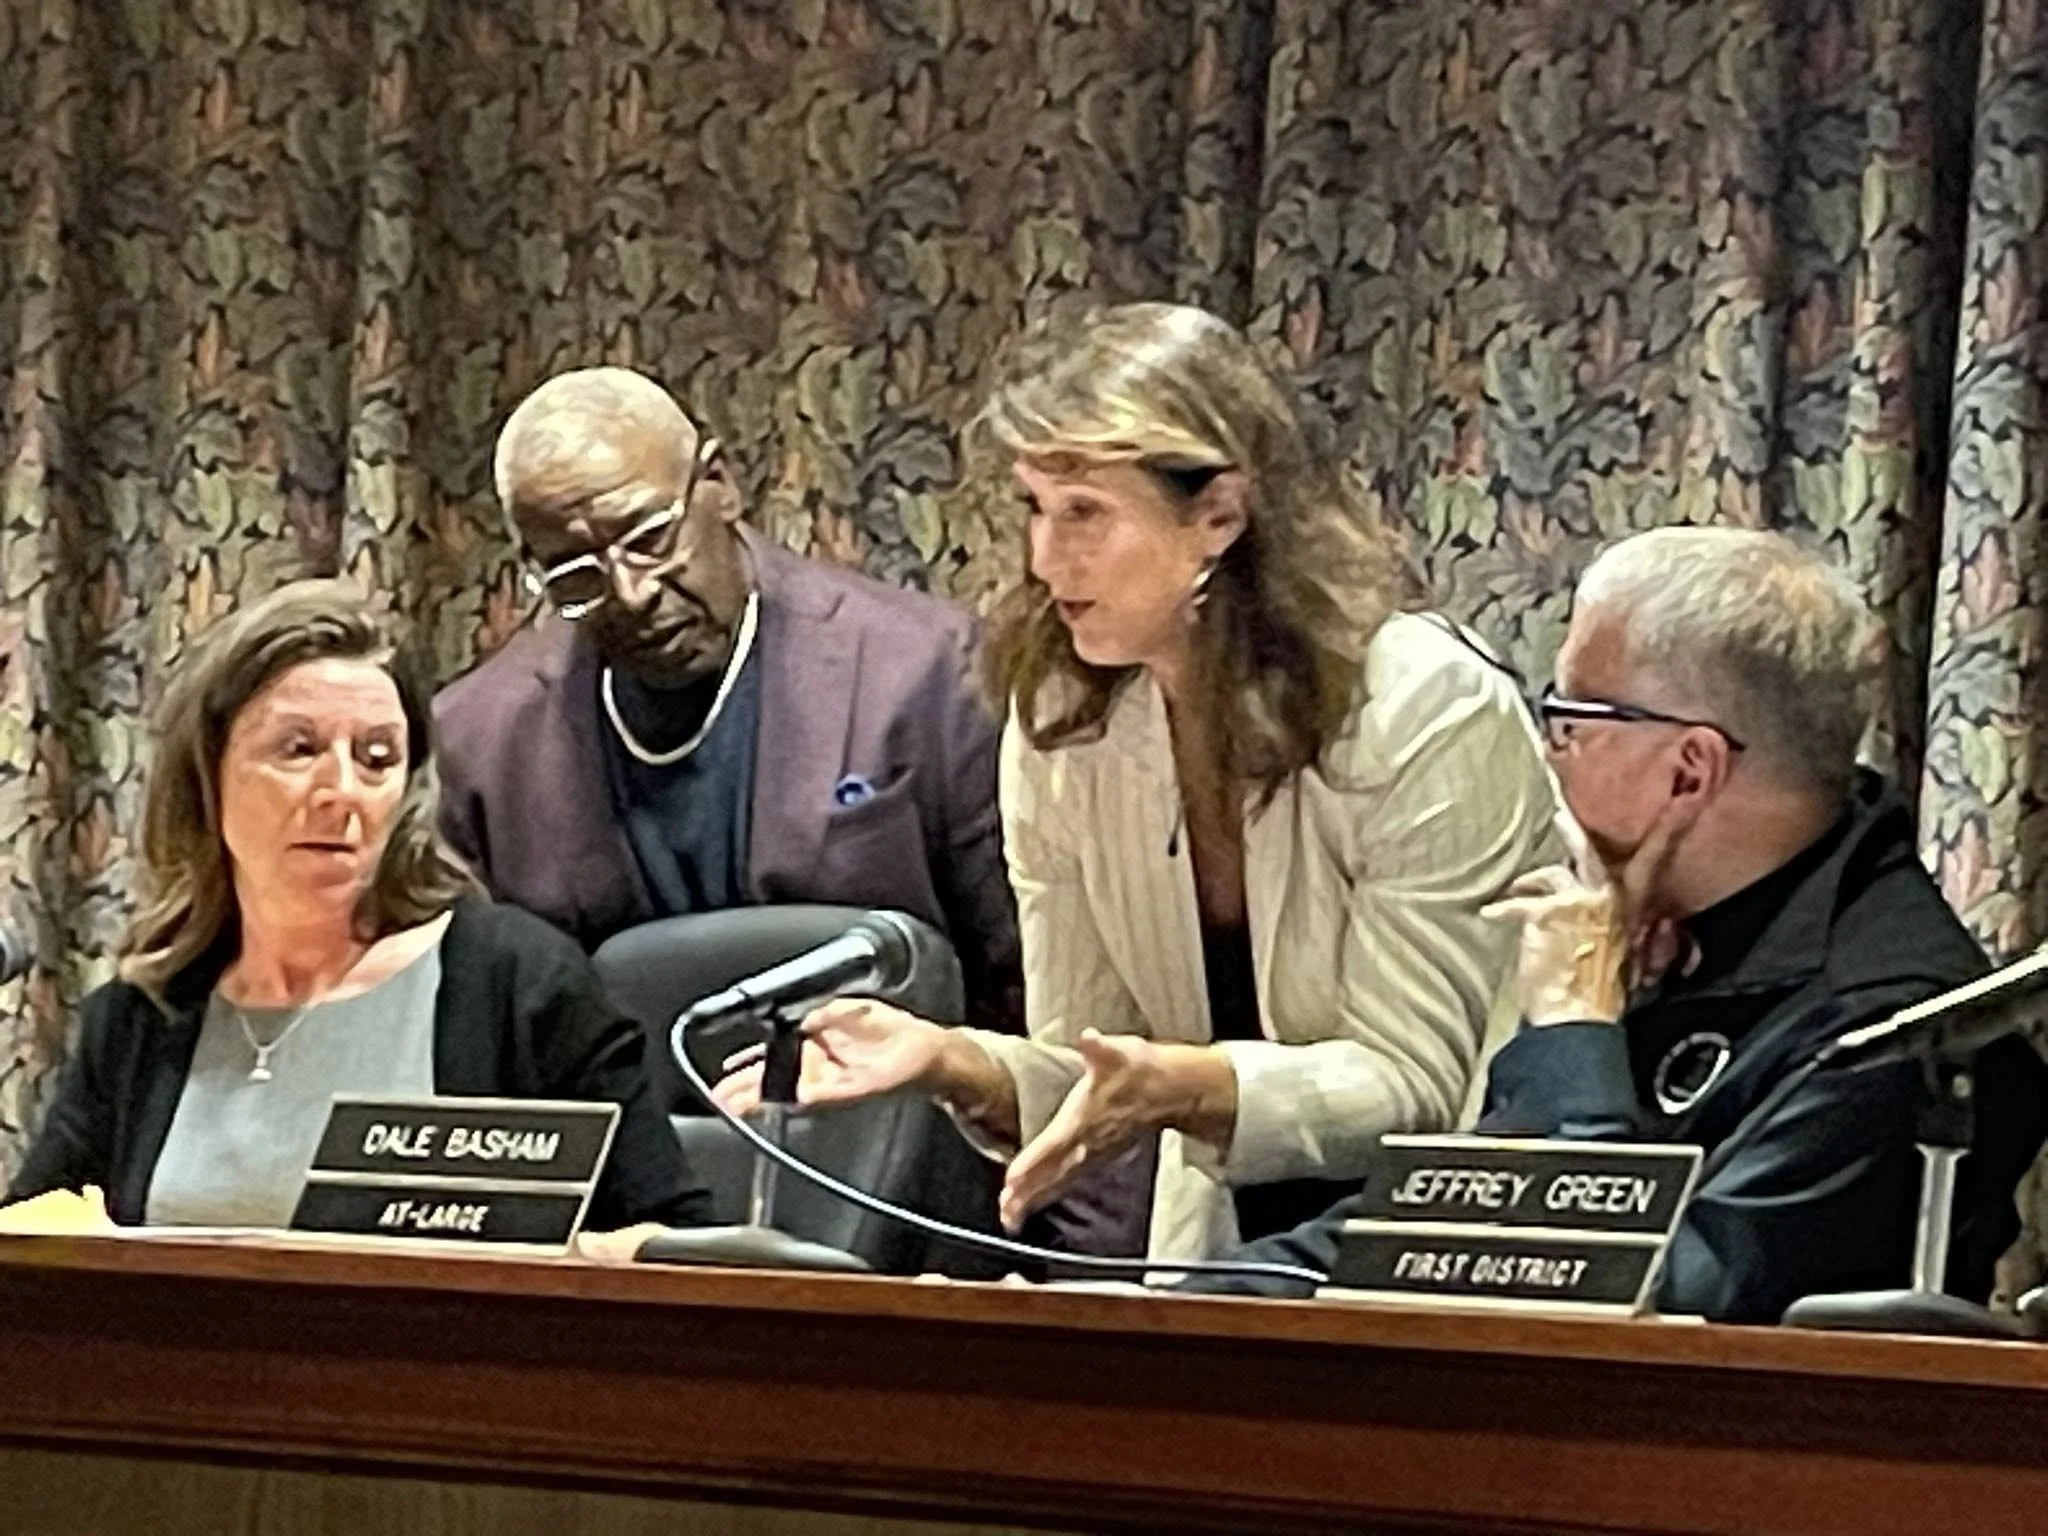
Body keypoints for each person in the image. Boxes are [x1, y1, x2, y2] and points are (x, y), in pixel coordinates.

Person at [718, 302, 1564, 1262]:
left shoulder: (1425, 706)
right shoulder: (1064, 721)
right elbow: (1096, 1067)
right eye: (1035, 508)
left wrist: (1188, 1085)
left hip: (1454, 1240)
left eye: (1085, 512)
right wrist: (953, 1060)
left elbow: (1418, 1089)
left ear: (1219, 516)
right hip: (1234, 1251)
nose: (1044, 557)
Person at [1203, 527, 2048, 1322]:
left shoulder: (1886, 1028)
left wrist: (1578, 1031)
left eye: (1572, 721)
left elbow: (1634, 1308)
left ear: (1689, 771)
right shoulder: (1657, 924)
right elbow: (1448, 1228)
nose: (1551, 754)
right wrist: (1183, 1300)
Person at [6, 581, 710, 1234]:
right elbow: (32, 1252)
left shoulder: (522, 985)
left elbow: (673, 1243)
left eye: (376, 758)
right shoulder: (143, 1017)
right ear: (207, 773)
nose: (341, 790)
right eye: (298, 749)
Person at [434, 368, 1020, 1033]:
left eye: (649, 539)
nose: (630, 593)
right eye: (575, 570)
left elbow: (1018, 980)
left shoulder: (926, 670)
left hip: (897, 1089)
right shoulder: (479, 743)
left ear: (719, 483)